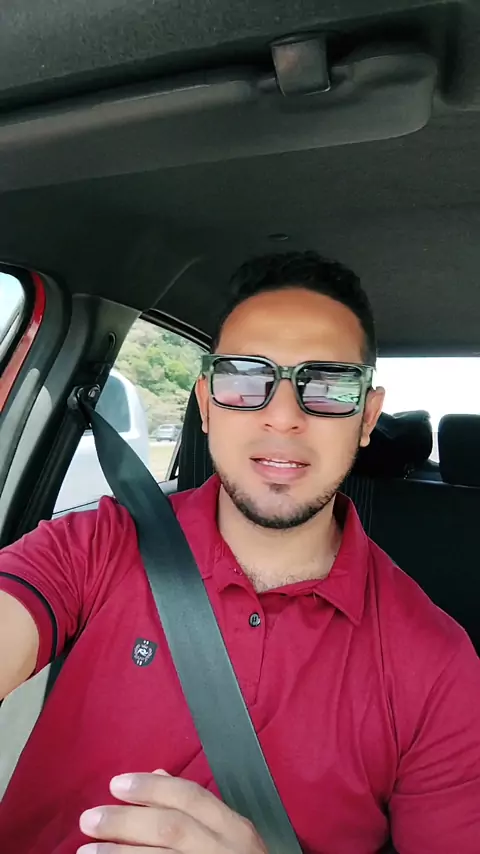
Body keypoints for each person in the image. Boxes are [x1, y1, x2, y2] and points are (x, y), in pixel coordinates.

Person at [0, 251, 479, 854]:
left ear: (367, 417)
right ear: (205, 404)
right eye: (245, 378)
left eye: (328, 385)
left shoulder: (438, 667)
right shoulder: (97, 545)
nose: (283, 417)